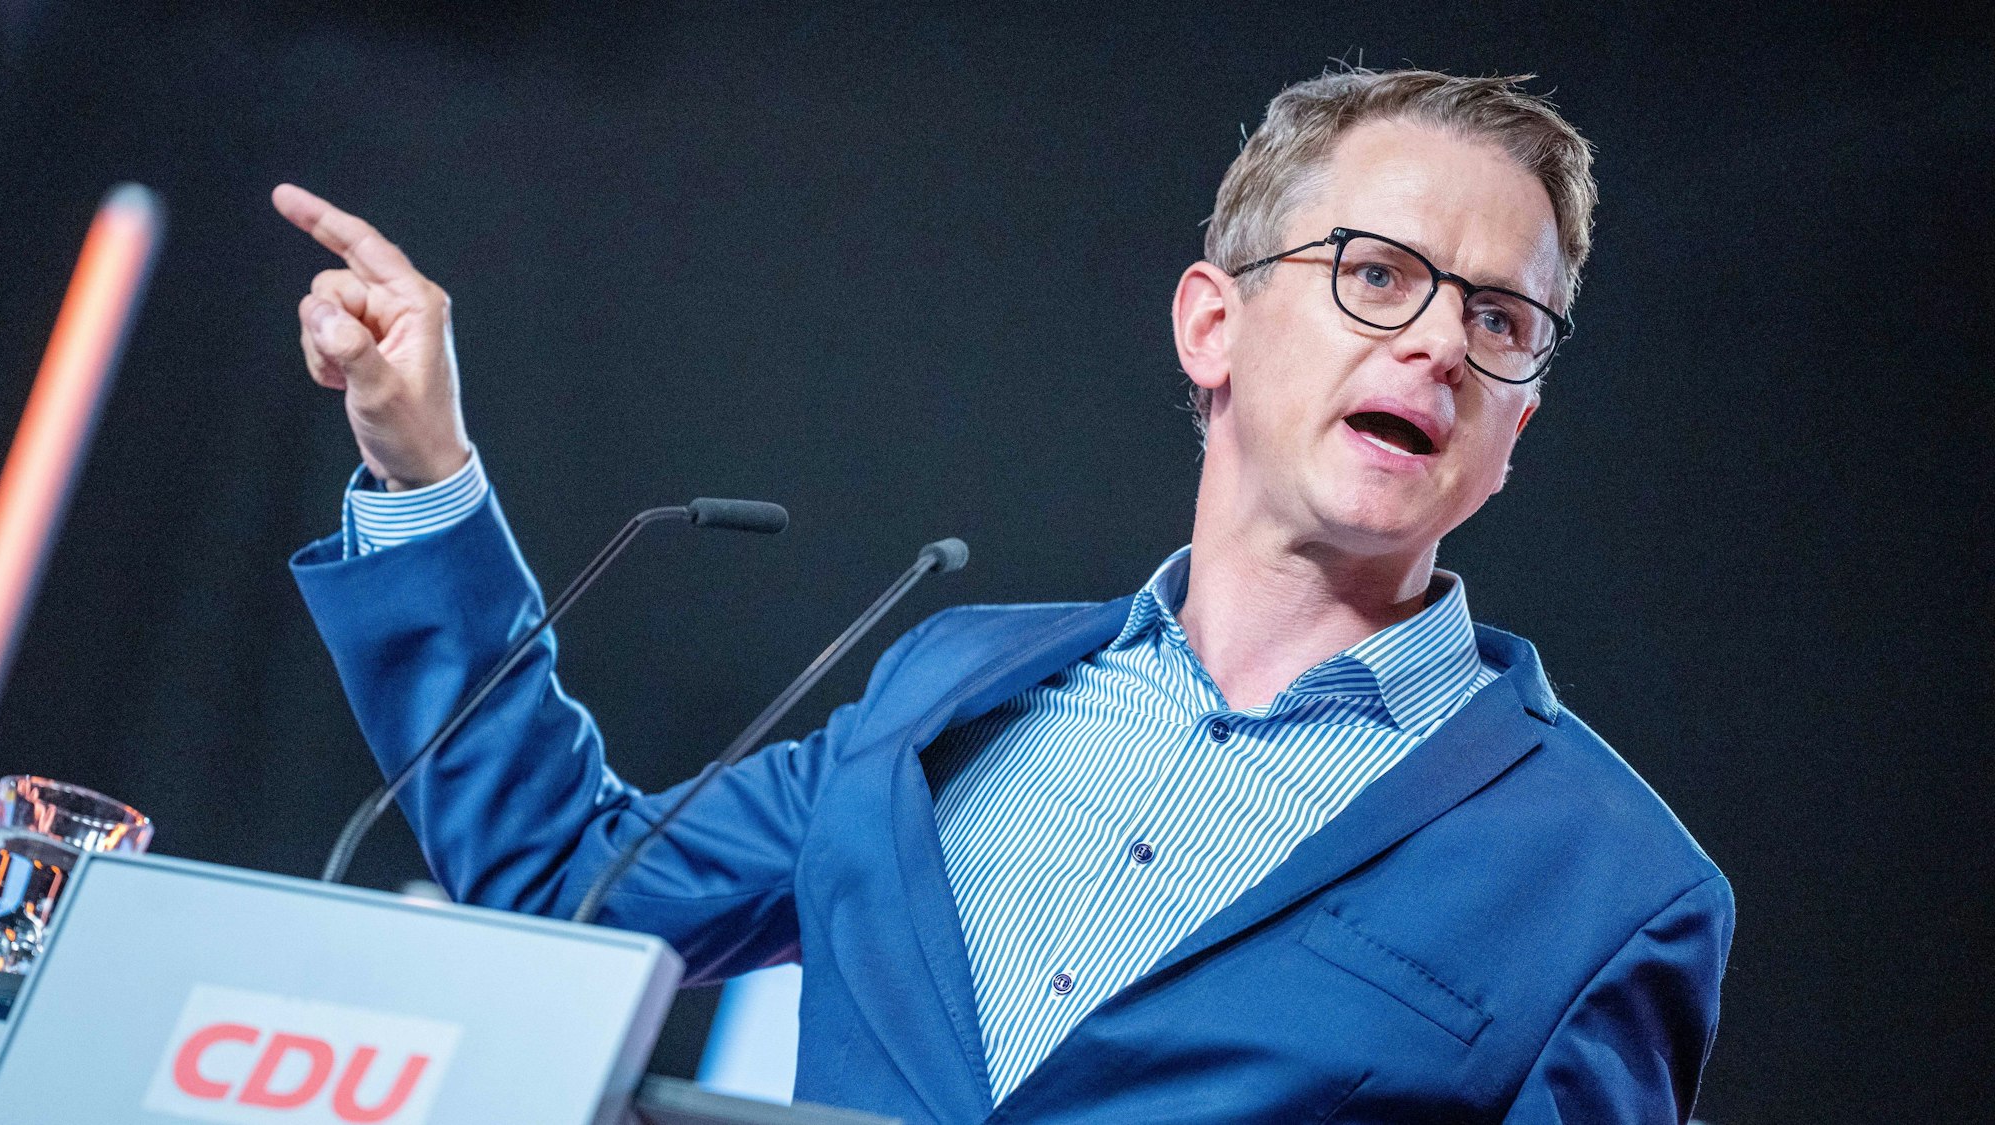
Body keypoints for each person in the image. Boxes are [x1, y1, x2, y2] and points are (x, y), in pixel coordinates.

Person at [284, 67, 1733, 1124]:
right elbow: (561, 876)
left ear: (1515, 425)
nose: (1439, 346)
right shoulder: (945, 692)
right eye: (1377, 275)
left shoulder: (1614, 889)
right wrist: (424, 469)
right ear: (1211, 325)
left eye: (1499, 319)